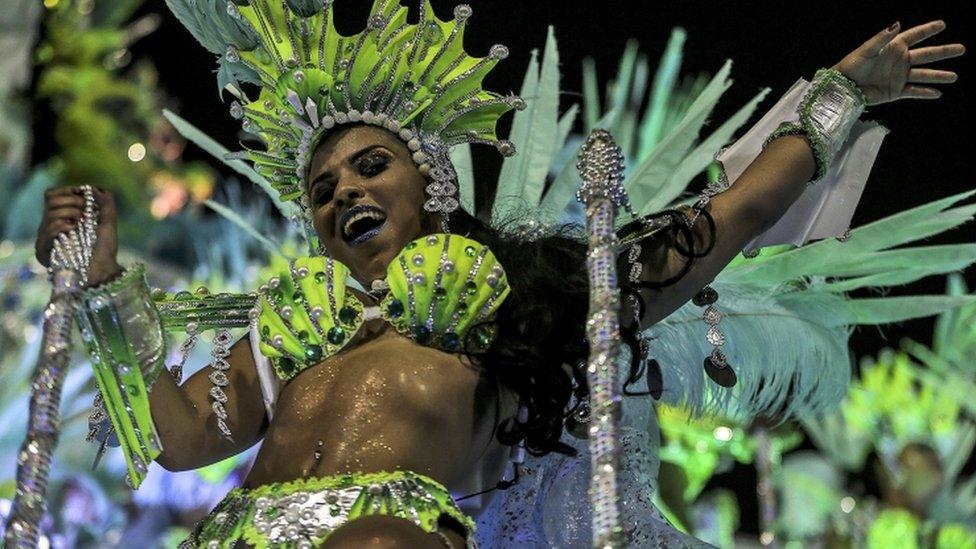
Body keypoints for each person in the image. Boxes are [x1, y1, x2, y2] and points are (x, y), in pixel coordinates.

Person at [32, 1, 964, 547]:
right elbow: (183, 437)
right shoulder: (293, 330)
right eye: (321, 188)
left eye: (368, 167)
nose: (343, 191)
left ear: (429, 179)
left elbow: (733, 216)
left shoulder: (527, 295)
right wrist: (108, 284)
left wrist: (840, 98)